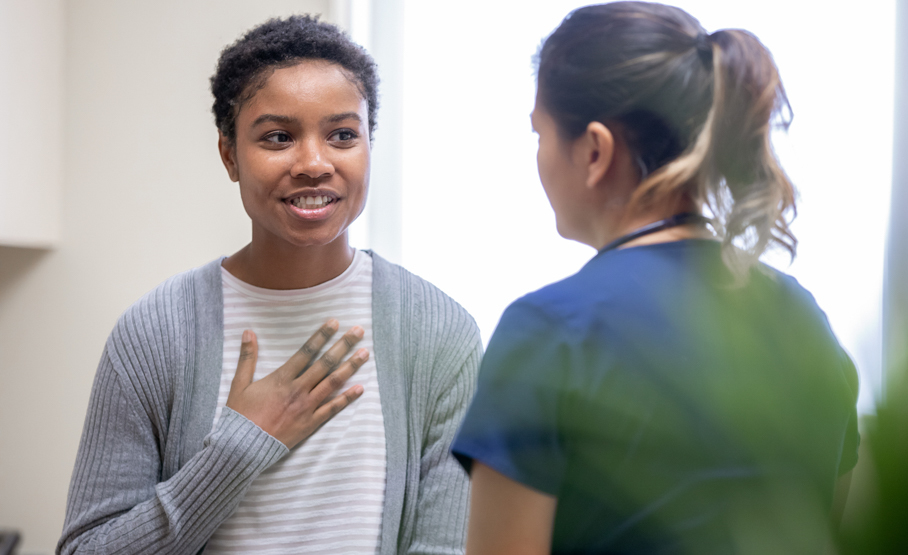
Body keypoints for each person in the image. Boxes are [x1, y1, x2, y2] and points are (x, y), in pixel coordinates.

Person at [59, 15, 481, 555]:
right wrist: (237, 449)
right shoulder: (155, 333)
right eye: (278, 137)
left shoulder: (439, 333)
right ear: (230, 155)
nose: (313, 163)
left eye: (343, 135)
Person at [450, 2, 860, 553]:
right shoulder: (802, 316)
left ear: (594, 150)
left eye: (540, 134)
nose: (540, 158)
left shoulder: (548, 330)